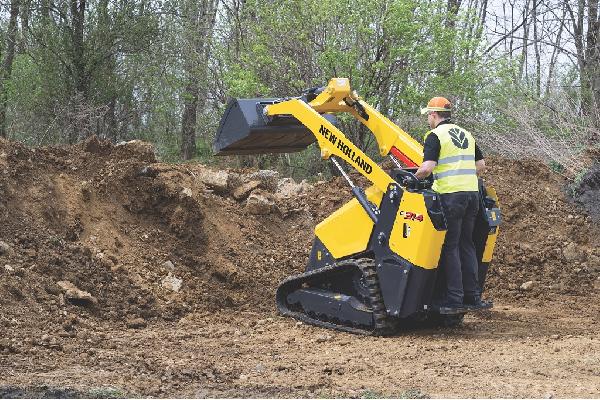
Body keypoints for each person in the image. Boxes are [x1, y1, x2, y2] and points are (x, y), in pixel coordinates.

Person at [414, 97, 488, 313]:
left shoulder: (435, 136)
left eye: (428, 115)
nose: (428, 119)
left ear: (434, 115)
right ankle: (472, 296)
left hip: (450, 196)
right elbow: (481, 165)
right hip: (472, 195)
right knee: (467, 244)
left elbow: (427, 168)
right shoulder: (466, 134)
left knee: (451, 245)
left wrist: (412, 179)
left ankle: (454, 298)